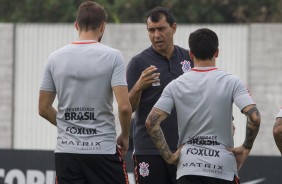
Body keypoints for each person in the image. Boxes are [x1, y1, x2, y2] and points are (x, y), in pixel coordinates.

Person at [146, 28, 261, 184]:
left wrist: (169, 156)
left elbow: (151, 122)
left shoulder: (176, 85)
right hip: (222, 168)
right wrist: (246, 147)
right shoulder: (232, 81)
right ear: (217, 52)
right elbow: (254, 117)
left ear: (191, 54)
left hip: (188, 167)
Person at [38, 1, 132, 184]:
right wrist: (126, 135)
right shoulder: (113, 56)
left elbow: (43, 108)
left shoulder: (55, 58)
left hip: (67, 152)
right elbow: (125, 107)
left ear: (76, 25)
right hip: (102, 150)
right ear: (103, 27)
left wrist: (68, 126)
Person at [126, 7, 193, 184]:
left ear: (174, 28)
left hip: (185, 149)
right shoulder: (138, 63)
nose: (156, 35)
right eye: (151, 30)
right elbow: (128, 108)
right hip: (149, 150)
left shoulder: (189, 58)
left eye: (161, 29)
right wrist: (139, 86)